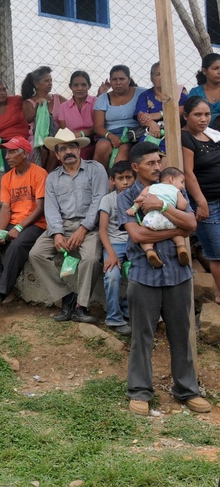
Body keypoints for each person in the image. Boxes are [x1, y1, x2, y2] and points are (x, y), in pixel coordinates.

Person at [118, 141, 211, 416]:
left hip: (178, 273)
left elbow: (192, 224)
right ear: (135, 167)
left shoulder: (173, 188)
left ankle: (187, 390)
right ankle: (140, 392)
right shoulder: (125, 197)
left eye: (158, 162)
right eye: (150, 163)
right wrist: (174, 231)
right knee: (142, 335)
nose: (157, 167)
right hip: (143, 275)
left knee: (181, 333)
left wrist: (162, 206)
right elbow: (137, 236)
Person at [28, 128, 108, 324]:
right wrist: (56, 233)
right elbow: (51, 208)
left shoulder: (96, 169)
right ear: (57, 154)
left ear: (79, 150)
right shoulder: (52, 177)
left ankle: (81, 306)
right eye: (62, 149)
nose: (68, 152)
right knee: (36, 253)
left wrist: (84, 229)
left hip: (90, 227)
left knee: (90, 258)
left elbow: (100, 200)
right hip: (61, 226)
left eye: (72, 147)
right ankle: (66, 298)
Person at [0, 136, 47, 314]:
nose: (7, 156)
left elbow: (40, 208)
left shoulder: (39, 173)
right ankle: (5, 287)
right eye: (7, 151)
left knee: (17, 245)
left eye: (12, 151)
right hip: (12, 223)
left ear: (25, 154)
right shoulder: (7, 178)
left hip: (35, 224)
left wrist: (20, 227)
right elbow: (5, 207)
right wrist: (0, 230)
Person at [181, 96, 220, 302]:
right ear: (186, 116)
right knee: (217, 252)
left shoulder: (213, 135)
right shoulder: (185, 138)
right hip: (208, 202)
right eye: (197, 114)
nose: (203, 119)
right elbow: (188, 174)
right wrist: (201, 201)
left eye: (207, 114)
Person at [125, 167, 191, 267]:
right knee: (178, 235)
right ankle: (181, 248)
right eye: (181, 182)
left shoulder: (150, 188)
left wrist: (133, 208)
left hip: (152, 219)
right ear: (171, 179)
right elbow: (182, 205)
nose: (182, 186)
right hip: (170, 220)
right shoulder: (176, 191)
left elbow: (140, 199)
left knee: (146, 238)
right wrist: (179, 200)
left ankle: (149, 251)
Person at [98, 161, 135, 335]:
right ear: (113, 180)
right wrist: (111, 254)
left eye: (129, 177)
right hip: (114, 244)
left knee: (141, 275)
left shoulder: (140, 198)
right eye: (121, 178)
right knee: (112, 276)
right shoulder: (108, 199)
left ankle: (127, 309)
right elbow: (103, 230)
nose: (125, 182)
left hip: (136, 243)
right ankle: (113, 317)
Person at [93, 64, 146, 171]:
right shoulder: (103, 98)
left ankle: (116, 180)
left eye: (122, 79)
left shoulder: (142, 93)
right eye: (114, 79)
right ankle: (99, 178)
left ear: (129, 79)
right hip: (110, 134)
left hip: (135, 133)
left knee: (125, 149)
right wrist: (111, 137)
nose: (118, 83)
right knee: (102, 147)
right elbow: (98, 127)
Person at [133, 62, 187, 148]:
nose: (162, 78)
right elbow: (141, 115)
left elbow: (186, 109)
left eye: (165, 74)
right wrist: (152, 124)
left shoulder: (179, 93)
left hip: (176, 131)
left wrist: (160, 114)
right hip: (152, 131)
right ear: (152, 78)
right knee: (144, 149)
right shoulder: (145, 96)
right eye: (158, 74)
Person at [21, 66, 66, 170]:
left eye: (51, 80)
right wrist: (38, 107)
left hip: (56, 135)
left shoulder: (58, 98)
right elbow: (29, 119)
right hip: (37, 136)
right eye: (46, 81)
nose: (50, 83)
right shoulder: (29, 103)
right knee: (42, 148)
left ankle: (47, 179)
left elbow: (72, 106)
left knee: (54, 148)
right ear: (36, 84)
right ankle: (37, 177)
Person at [54, 71, 97, 160]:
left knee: (85, 151)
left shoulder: (96, 102)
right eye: (76, 85)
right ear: (70, 86)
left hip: (93, 139)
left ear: (89, 86)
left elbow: (99, 126)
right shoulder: (63, 107)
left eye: (84, 85)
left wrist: (81, 133)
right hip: (72, 141)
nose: (80, 88)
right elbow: (64, 130)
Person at [188, 52, 220, 125]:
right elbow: (191, 116)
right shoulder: (196, 93)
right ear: (204, 71)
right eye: (215, 68)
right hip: (201, 131)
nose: (219, 72)